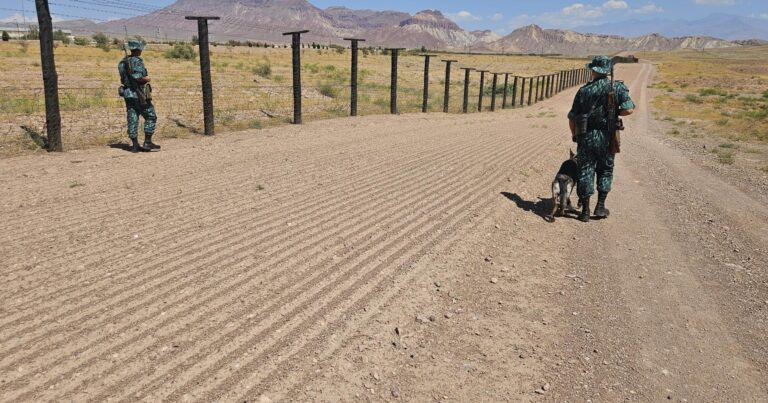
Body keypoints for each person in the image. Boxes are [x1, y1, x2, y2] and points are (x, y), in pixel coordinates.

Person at [568, 55, 635, 222]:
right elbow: (629, 110)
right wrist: (612, 113)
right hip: (608, 137)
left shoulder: (584, 91)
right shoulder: (618, 87)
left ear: (594, 70)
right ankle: (600, 206)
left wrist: (574, 134)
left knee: (585, 171)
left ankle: (584, 211)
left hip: (586, 136)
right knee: (605, 170)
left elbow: (572, 117)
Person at [119, 39, 160, 153]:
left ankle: (135, 145)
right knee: (151, 116)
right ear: (137, 50)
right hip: (138, 93)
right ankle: (147, 142)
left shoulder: (122, 62)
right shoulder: (136, 61)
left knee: (133, 117)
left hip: (128, 94)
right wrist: (146, 78)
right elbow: (137, 77)